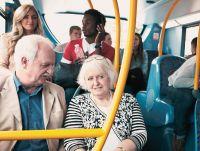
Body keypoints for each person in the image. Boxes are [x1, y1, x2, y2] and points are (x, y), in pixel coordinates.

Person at [64, 55, 147, 151]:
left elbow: (140, 133)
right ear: (85, 81)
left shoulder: (129, 100)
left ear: (110, 76)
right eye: (90, 78)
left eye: (100, 77)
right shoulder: (77, 103)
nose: (96, 83)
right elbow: (72, 139)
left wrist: (122, 149)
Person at [0, 35, 66, 151]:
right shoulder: (2, 89)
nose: (51, 72)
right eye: (45, 65)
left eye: (53, 66)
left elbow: (65, 137)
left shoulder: (58, 92)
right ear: (24, 61)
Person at [0, 4, 43, 71]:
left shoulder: (43, 42)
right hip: (12, 80)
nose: (31, 21)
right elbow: (1, 66)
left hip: (37, 81)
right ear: (19, 18)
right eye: (26, 17)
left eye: (34, 17)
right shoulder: (6, 39)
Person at [167, 55, 197, 151]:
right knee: (186, 98)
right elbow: (177, 82)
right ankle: (179, 138)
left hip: (189, 85)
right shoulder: (194, 63)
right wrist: (197, 82)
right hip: (174, 86)